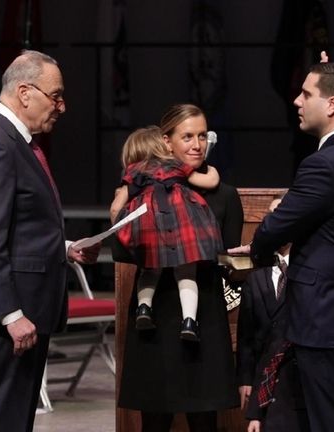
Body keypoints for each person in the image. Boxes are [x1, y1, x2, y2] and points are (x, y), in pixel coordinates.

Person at [0, 49, 101, 432]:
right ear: (25, 92)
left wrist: (64, 248)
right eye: (56, 95)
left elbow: (17, 226)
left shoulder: (13, 140)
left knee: (14, 420)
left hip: (18, 307)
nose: (62, 106)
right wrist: (11, 314)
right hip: (2, 315)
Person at [230, 61, 334, 432]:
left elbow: (275, 227)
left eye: (306, 94)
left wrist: (258, 247)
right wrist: (331, 72)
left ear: (332, 104)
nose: (297, 100)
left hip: (325, 319)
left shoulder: (324, 165)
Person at [117, 104, 243, 432]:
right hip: (154, 323)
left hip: (204, 325)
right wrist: (117, 213)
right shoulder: (142, 188)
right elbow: (123, 251)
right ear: (166, 141)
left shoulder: (224, 195)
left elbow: (228, 261)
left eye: (202, 136)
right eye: (187, 136)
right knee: (154, 424)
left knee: (205, 423)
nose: (196, 144)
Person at [111, 125, 223, 341]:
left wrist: (122, 229)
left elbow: (116, 207)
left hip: (149, 226)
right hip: (182, 224)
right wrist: (213, 170)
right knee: (187, 272)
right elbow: (210, 181)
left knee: (149, 271)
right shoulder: (176, 165)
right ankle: (189, 321)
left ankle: (144, 308)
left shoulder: (135, 172)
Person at [236, 200, 308, 432]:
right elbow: (246, 336)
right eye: (270, 216)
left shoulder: (307, 272)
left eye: (281, 213)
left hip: (297, 379)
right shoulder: (257, 279)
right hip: (263, 379)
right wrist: (246, 379)